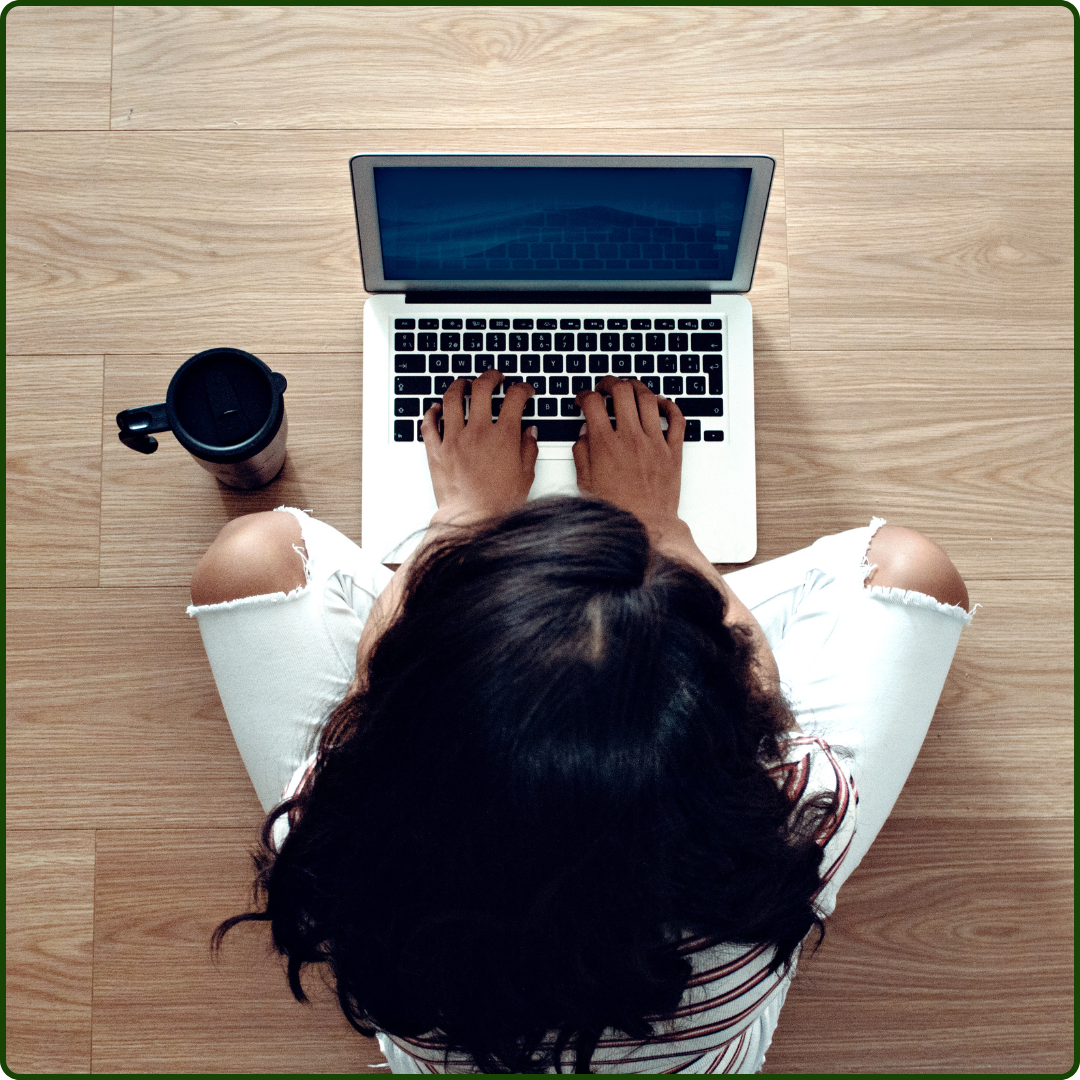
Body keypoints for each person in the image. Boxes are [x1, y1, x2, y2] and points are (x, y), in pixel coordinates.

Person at [189, 372, 972, 1074]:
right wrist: (659, 526)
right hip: (699, 1028)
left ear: (417, 721)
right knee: (915, 570)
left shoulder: (337, 844)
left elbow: (371, 685)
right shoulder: (801, 815)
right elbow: (767, 696)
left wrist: (464, 516)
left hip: (462, 1019)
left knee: (248, 557)